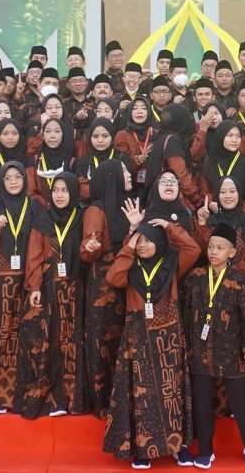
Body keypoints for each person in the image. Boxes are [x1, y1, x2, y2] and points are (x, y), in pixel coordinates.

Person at [103, 218, 201, 468]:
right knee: (142, 394)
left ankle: (179, 446)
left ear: (159, 241)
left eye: (148, 240)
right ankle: (143, 450)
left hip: (169, 338)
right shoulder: (131, 266)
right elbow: (113, 278)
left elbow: (193, 249)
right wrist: (129, 245)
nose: (143, 245)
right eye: (140, 241)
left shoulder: (171, 263)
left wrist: (169, 226)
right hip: (139, 337)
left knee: (172, 393)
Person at [181, 223, 245, 469]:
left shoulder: (238, 280)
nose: (214, 252)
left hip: (231, 352)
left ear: (232, 253)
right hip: (200, 351)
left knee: (241, 404)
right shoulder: (196, 277)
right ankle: (205, 451)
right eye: (211, 247)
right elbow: (186, 311)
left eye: (220, 248)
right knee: (202, 405)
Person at [0, 161, 45, 414]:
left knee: (27, 337)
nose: (13, 181)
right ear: (1, 182)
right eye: (8, 178)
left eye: (18, 177)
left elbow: (43, 242)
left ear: (25, 180)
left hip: (28, 280)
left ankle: (27, 396)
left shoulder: (35, 206)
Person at [23, 172, 89, 417]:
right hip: (50, 291)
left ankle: (75, 399)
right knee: (51, 341)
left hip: (75, 290)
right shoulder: (42, 221)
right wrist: (35, 286)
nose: (60, 195)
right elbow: (34, 256)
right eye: (56, 190)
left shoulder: (81, 219)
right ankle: (55, 398)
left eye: (65, 190)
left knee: (73, 342)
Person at [80, 160, 133, 417]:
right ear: (112, 177)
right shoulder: (96, 210)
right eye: (123, 171)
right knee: (103, 342)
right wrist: (91, 247)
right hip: (104, 287)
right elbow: (87, 249)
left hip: (124, 281)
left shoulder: (126, 205)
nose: (129, 174)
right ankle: (103, 402)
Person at [198, 121, 245, 212]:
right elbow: (204, 192)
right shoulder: (208, 165)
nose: (235, 140)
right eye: (230, 135)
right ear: (220, 136)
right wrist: (210, 204)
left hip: (242, 215)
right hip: (216, 215)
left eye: (238, 136)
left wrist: (240, 213)